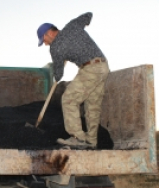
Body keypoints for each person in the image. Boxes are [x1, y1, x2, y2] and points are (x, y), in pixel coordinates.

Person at [36, 12, 109, 149]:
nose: (45, 44)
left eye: (44, 40)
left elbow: (59, 74)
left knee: (68, 99)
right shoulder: (72, 25)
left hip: (90, 69)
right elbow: (88, 15)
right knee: (92, 106)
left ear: (49, 34)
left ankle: (78, 138)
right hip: (103, 66)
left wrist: (56, 75)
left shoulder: (55, 47)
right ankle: (91, 141)